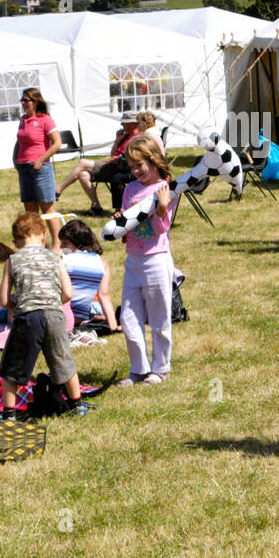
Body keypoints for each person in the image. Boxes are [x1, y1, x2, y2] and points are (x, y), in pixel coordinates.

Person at [0, 212, 90, 419]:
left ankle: (9, 414)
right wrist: (52, 303)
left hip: (28, 318)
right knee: (63, 360)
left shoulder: (13, 260)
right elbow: (68, 293)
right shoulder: (56, 258)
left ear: (15, 242)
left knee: (14, 367)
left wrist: (19, 302)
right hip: (55, 316)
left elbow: (3, 300)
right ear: (44, 235)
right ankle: (78, 405)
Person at [116, 135, 175, 387]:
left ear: (154, 161)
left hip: (156, 260)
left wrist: (161, 208)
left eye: (140, 164)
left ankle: (160, 368)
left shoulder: (164, 188)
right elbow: (126, 230)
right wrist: (120, 221)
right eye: (132, 166)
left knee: (159, 317)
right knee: (128, 318)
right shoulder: (130, 189)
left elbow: (162, 229)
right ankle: (138, 368)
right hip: (133, 261)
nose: (136, 170)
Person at [56, 111, 136, 216]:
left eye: (124, 123)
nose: (121, 125)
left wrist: (99, 161)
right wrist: (117, 140)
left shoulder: (136, 138)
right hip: (112, 167)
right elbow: (113, 154)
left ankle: (59, 188)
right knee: (83, 174)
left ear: (132, 124)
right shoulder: (125, 136)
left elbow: (116, 159)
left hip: (119, 168)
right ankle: (96, 206)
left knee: (82, 162)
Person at [12, 87, 62, 246]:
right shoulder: (23, 120)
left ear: (35, 101)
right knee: (30, 212)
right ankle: (36, 243)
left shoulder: (45, 119)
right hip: (24, 168)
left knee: (47, 209)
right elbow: (19, 141)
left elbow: (57, 143)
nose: (23, 103)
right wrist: (15, 157)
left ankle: (56, 244)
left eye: (26, 100)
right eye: (22, 100)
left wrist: (41, 160)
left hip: (40, 169)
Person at [58, 218, 120, 331]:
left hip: (63, 318)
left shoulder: (63, 260)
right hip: (82, 318)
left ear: (79, 243)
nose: (61, 246)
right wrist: (113, 326)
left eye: (65, 243)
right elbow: (104, 295)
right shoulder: (102, 263)